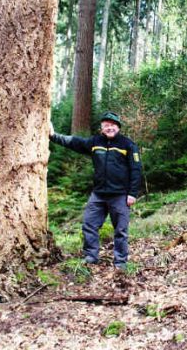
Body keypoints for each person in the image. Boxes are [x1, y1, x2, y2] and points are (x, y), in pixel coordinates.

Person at [49, 111, 142, 269]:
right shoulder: (95, 142)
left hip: (120, 195)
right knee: (89, 225)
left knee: (120, 230)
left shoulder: (128, 144)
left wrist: (132, 194)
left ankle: (120, 262)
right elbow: (74, 142)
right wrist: (53, 135)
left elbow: (136, 170)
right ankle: (91, 257)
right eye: (106, 125)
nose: (109, 128)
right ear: (101, 128)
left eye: (112, 125)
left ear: (118, 127)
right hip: (98, 194)